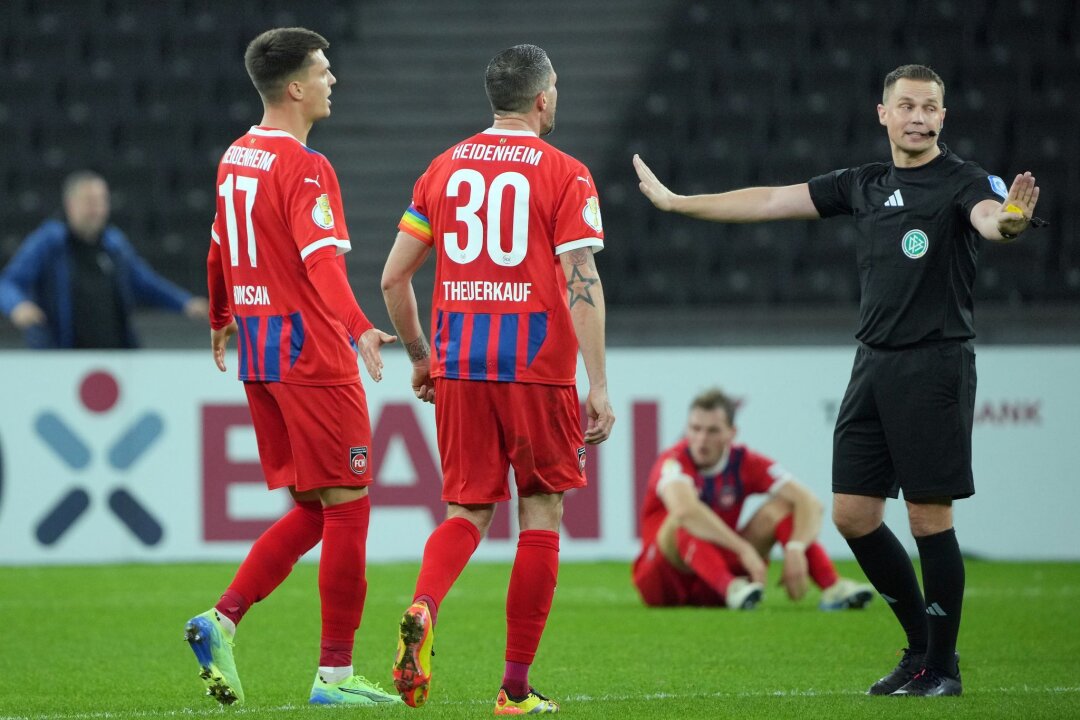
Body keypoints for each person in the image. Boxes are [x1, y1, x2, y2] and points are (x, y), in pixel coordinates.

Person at [634, 64, 1040, 697]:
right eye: (905, 106)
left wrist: (1011, 218)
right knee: (853, 515)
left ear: (942, 117)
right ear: (883, 114)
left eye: (930, 108)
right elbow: (771, 200)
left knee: (929, 520)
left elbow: (994, 217)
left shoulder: (963, 180)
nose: (917, 117)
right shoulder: (864, 184)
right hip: (871, 363)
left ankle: (945, 667)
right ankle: (919, 652)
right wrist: (678, 202)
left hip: (934, 363)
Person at [381, 43, 615, 715]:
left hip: (459, 366)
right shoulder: (566, 173)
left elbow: (393, 278)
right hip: (535, 369)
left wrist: (422, 357)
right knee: (540, 509)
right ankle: (514, 690)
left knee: (465, 512)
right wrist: (596, 383)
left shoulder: (444, 168)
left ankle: (424, 605)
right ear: (543, 99)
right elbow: (581, 281)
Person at [183, 27, 400, 707]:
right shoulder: (306, 167)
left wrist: (222, 314)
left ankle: (219, 620)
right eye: (324, 71)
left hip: (263, 353)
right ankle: (335, 676)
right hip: (311, 354)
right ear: (297, 87)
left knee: (314, 508)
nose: (333, 80)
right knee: (351, 508)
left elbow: (219, 246)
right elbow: (320, 262)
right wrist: (359, 326)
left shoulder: (236, 156)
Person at [634, 388, 874, 611]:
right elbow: (685, 511)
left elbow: (809, 502)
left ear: (732, 433)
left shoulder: (746, 462)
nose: (701, 439)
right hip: (663, 582)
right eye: (695, 429)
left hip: (717, 576)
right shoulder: (673, 461)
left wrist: (795, 547)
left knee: (780, 509)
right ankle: (732, 587)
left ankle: (832, 586)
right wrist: (743, 549)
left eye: (712, 430)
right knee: (682, 521)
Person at [0, 171, 208, 348]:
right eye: (90, 202)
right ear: (70, 204)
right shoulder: (49, 242)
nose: (97, 210)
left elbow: (146, 283)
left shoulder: (114, 245)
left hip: (114, 355)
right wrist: (17, 305)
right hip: (61, 361)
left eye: (102, 201)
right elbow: (7, 283)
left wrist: (185, 303)